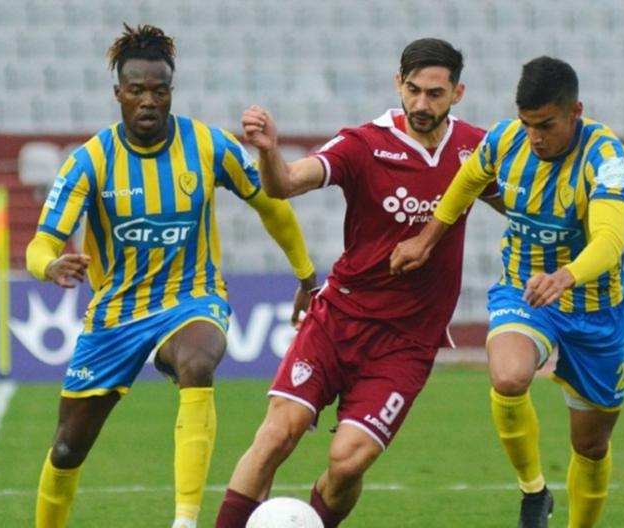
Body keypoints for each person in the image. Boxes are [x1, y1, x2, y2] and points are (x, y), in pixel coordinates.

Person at [26, 24, 316, 528]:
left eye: (159, 91)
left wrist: (306, 275)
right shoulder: (90, 161)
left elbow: (272, 205)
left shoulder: (208, 145)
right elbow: (41, 242)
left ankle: (184, 520)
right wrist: (48, 265)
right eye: (136, 90)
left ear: (171, 91)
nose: (148, 101)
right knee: (68, 448)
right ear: (118, 93)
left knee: (198, 362)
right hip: (116, 314)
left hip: (192, 297)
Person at [215, 38, 502, 528]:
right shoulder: (364, 144)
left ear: (457, 93)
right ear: (398, 84)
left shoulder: (476, 150)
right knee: (277, 434)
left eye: (435, 94)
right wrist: (269, 152)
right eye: (413, 90)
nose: (421, 104)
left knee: (347, 462)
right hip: (338, 320)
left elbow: (519, 205)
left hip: (406, 343)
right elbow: (285, 183)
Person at [391, 56, 624, 528]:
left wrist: (564, 276)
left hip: (594, 307)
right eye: (527, 123)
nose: (535, 136)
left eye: (546, 125)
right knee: (507, 378)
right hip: (524, 290)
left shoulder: (604, 157)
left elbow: (610, 241)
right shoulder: (506, 140)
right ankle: (534, 492)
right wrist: (426, 239)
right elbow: (467, 180)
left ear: (575, 112)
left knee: (591, 444)